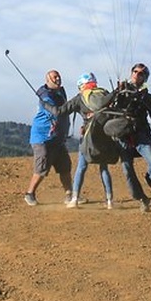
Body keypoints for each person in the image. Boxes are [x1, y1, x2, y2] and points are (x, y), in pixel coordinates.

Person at [41, 72, 118, 209]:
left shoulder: (80, 98)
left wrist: (45, 104)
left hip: (89, 137)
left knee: (82, 167)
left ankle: (75, 199)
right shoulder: (104, 93)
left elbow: (59, 112)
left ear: (81, 85)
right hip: (106, 135)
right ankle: (109, 200)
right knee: (103, 168)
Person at [112, 63, 151, 212]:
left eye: (141, 73)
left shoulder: (147, 98)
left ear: (145, 78)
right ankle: (142, 199)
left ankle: (150, 179)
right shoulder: (120, 93)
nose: (137, 74)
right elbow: (107, 111)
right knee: (128, 171)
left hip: (141, 135)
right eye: (135, 71)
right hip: (122, 136)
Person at [24, 69, 73, 206]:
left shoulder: (60, 92)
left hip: (57, 138)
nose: (58, 79)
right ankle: (30, 194)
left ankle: (70, 195)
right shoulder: (46, 97)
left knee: (65, 166)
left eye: (58, 76)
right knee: (42, 167)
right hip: (42, 138)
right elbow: (56, 112)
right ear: (48, 80)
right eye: (54, 77)